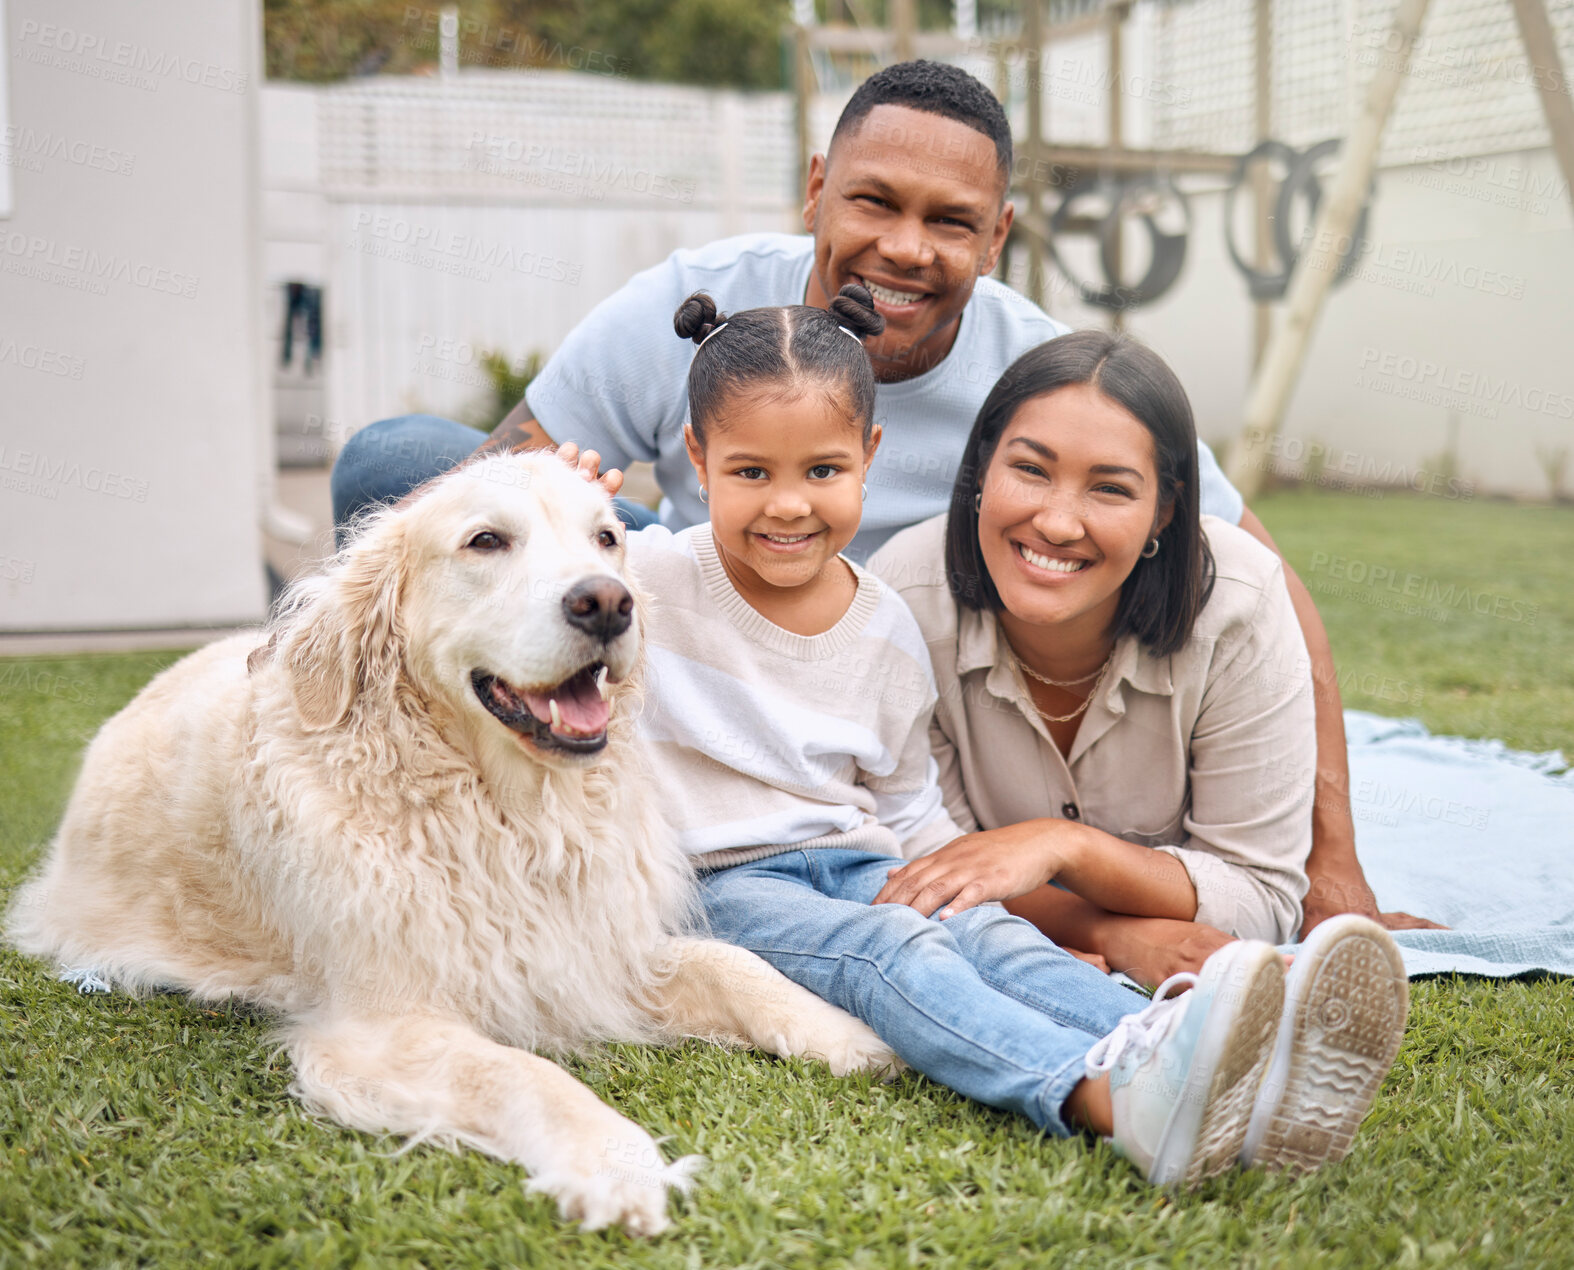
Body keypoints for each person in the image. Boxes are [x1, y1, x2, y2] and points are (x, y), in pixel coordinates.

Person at [330, 59, 1437, 940]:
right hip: (688, 622)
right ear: (816, 187)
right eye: (872, 201)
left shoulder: (1045, 376)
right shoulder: (684, 304)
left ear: (995, 235)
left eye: (950, 220)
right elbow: (479, 492)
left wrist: (1333, 866)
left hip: (881, 699)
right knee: (393, 464)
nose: (903, 248)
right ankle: (429, 795)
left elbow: (1260, 577)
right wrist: (554, 503)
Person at [593, 281, 1409, 1187]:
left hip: (854, 856)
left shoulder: (886, 627)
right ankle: (1108, 1097)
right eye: (752, 473)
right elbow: (553, 596)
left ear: (870, 454)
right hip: (723, 877)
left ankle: (1211, 1053)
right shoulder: (653, 577)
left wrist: (966, 887)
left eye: (821, 472)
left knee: (987, 935)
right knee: (891, 954)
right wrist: (571, 516)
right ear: (697, 459)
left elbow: (909, 810)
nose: (789, 505)